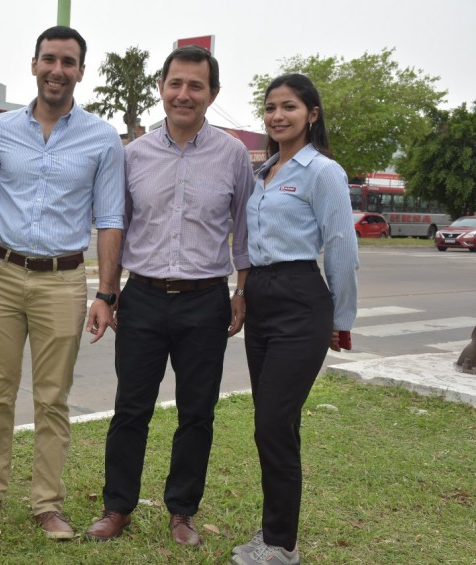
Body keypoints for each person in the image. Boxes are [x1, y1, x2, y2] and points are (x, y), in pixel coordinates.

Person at [84, 45, 254, 545]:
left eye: (195, 86)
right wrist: (108, 294)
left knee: (197, 411)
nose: (184, 94)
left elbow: (245, 229)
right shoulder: (133, 155)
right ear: (161, 88)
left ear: (212, 94)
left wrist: (241, 290)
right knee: (130, 408)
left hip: (206, 300)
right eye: (175, 84)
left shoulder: (233, 155)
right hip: (143, 298)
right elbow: (115, 227)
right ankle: (117, 507)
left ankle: (182, 511)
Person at [0, 25, 125, 540]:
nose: (57, 70)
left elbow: (110, 219)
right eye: (49, 59)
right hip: (0, 273)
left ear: (81, 71)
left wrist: (106, 294)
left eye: (68, 62)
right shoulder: (1, 129)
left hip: (62, 280)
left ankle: (47, 503)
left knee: (53, 396)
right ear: (34, 64)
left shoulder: (102, 138)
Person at [230, 73, 359, 565]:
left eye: (289, 106)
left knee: (272, 423)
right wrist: (242, 291)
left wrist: (342, 317)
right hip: (261, 298)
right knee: (276, 423)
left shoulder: (322, 172)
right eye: (270, 107)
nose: (278, 116)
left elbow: (342, 247)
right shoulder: (263, 172)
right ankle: (275, 531)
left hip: (301, 299)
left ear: (312, 114)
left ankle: (281, 544)